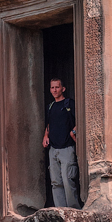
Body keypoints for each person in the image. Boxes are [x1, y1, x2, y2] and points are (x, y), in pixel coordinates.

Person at [42, 78, 82, 208]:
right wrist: (45, 135)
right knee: (55, 182)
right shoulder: (50, 106)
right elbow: (49, 123)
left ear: (63, 89)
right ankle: (61, 210)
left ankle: (73, 210)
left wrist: (73, 132)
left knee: (67, 180)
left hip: (67, 147)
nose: (54, 90)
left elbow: (81, 120)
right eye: (52, 87)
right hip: (53, 148)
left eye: (57, 87)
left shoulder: (69, 104)